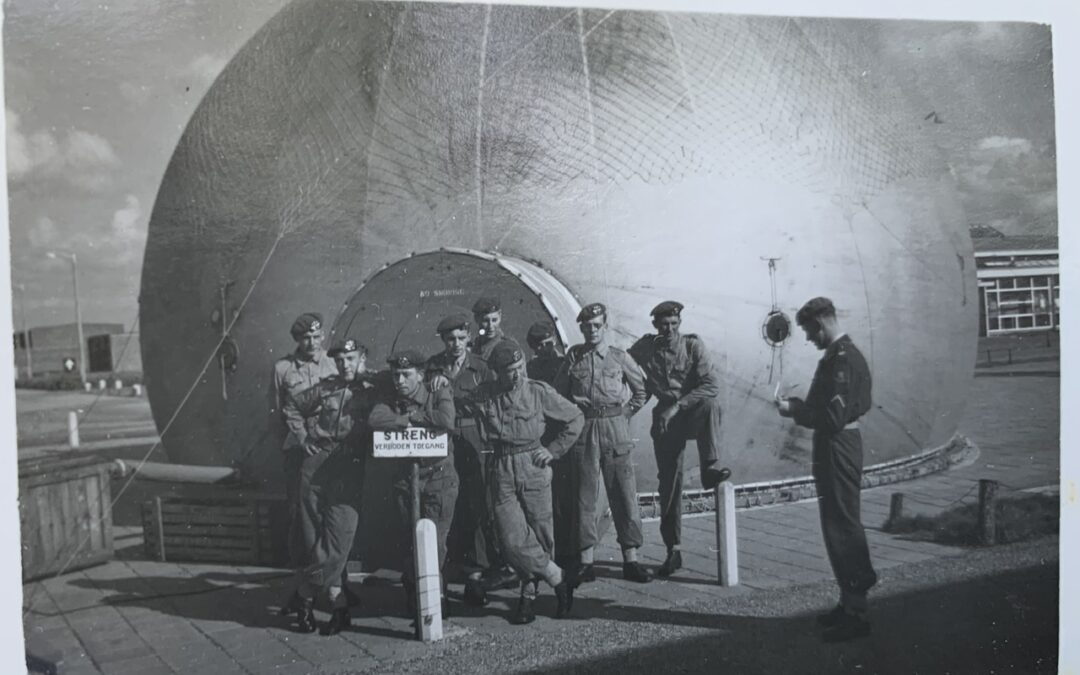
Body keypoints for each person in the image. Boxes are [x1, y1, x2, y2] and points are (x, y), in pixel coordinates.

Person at [775, 297, 877, 642]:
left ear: (821, 323)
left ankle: (857, 611)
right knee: (836, 523)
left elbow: (833, 417)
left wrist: (795, 410)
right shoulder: (839, 357)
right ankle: (849, 603)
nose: (808, 339)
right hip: (835, 447)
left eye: (809, 331)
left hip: (838, 446)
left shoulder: (842, 361)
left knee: (843, 523)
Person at [466, 342, 584, 624]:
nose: (517, 375)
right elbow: (457, 401)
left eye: (520, 368)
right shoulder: (484, 395)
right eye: (510, 371)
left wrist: (553, 450)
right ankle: (559, 578)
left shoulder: (537, 392)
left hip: (533, 464)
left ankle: (527, 599)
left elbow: (575, 418)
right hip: (500, 468)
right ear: (497, 373)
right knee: (511, 540)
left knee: (541, 534)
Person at [628, 301, 731, 578]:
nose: (670, 329)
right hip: (666, 421)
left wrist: (678, 405)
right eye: (664, 324)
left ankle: (710, 466)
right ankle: (673, 550)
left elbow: (710, 385)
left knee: (711, 405)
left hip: (690, 410)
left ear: (680, 323)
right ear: (655, 326)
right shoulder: (646, 348)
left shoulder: (693, 346)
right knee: (669, 483)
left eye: (674, 323)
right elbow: (623, 362)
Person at [555, 303, 653, 587]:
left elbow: (641, 391)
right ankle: (587, 562)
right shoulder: (574, 359)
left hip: (614, 427)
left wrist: (625, 414)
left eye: (597, 325)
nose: (592, 330)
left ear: (605, 326)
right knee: (584, 495)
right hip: (585, 428)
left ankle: (631, 560)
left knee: (622, 492)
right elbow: (559, 393)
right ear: (582, 328)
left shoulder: (619, 358)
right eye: (587, 326)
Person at [282, 338, 373, 634]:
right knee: (315, 539)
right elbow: (293, 406)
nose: (345, 365)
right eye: (340, 360)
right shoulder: (325, 388)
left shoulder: (373, 390)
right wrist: (303, 438)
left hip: (348, 466)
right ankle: (338, 606)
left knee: (338, 540)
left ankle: (303, 596)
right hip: (317, 465)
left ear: (362, 358)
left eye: (351, 358)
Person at [425, 314, 515, 606]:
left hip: (473, 439)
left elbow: (499, 399)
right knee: (445, 504)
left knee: (476, 505)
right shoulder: (433, 367)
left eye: (461, 338)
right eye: (450, 339)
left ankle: (476, 575)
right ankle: (443, 571)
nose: (456, 345)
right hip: (443, 440)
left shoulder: (480, 367)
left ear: (468, 337)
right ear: (443, 340)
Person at [268, 313, 353, 618]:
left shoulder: (333, 363)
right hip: (301, 453)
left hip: (332, 450)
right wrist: (300, 439)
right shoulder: (283, 369)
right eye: (306, 338)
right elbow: (281, 412)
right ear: (297, 340)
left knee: (334, 521)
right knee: (304, 525)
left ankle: (333, 587)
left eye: (317, 337)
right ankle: (311, 585)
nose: (313, 343)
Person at [368, 350, 459, 619]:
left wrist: (413, 420)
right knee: (410, 541)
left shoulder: (437, 391)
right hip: (407, 482)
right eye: (396, 375)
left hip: (438, 478)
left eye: (406, 375)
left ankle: (435, 594)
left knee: (435, 542)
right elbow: (376, 419)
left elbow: (445, 421)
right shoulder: (390, 398)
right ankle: (415, 591)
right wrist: (407, 420)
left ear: (421, 375)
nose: (400, 380)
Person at [470, 297, 520, 363]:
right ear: (476, 319)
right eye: (485, 321)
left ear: (500, 316)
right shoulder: (475, 344)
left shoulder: (507, 346)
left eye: (494, 320)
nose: (490, 326)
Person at [525, 321, 564, 385]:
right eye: (540, 345)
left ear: (554, 341)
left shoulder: (563, 364)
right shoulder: (531, 368)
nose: (545, 349)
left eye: (548, 344)